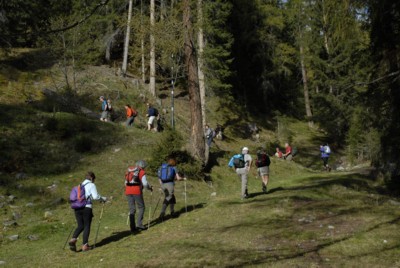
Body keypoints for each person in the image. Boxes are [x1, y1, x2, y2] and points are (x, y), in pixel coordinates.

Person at [69, 172, 107, 252]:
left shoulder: (80, 185)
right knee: (86, 226)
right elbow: (95, 197)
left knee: (80, 225)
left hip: (77, 208)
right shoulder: (91, 185)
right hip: (86, 207)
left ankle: (73, 239)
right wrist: (103, 199)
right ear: (92, 178)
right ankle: (85, 245)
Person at [125, 160, 153, 233]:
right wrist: (150, 188)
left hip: (128, 191)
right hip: (136, 191)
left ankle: (132, 227)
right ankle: (139, 224)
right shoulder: (141, 172)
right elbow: (145, 184)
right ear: (143, 166)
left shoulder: (129, 170)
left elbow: (125, 182)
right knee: (141, 207)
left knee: (132, 209)